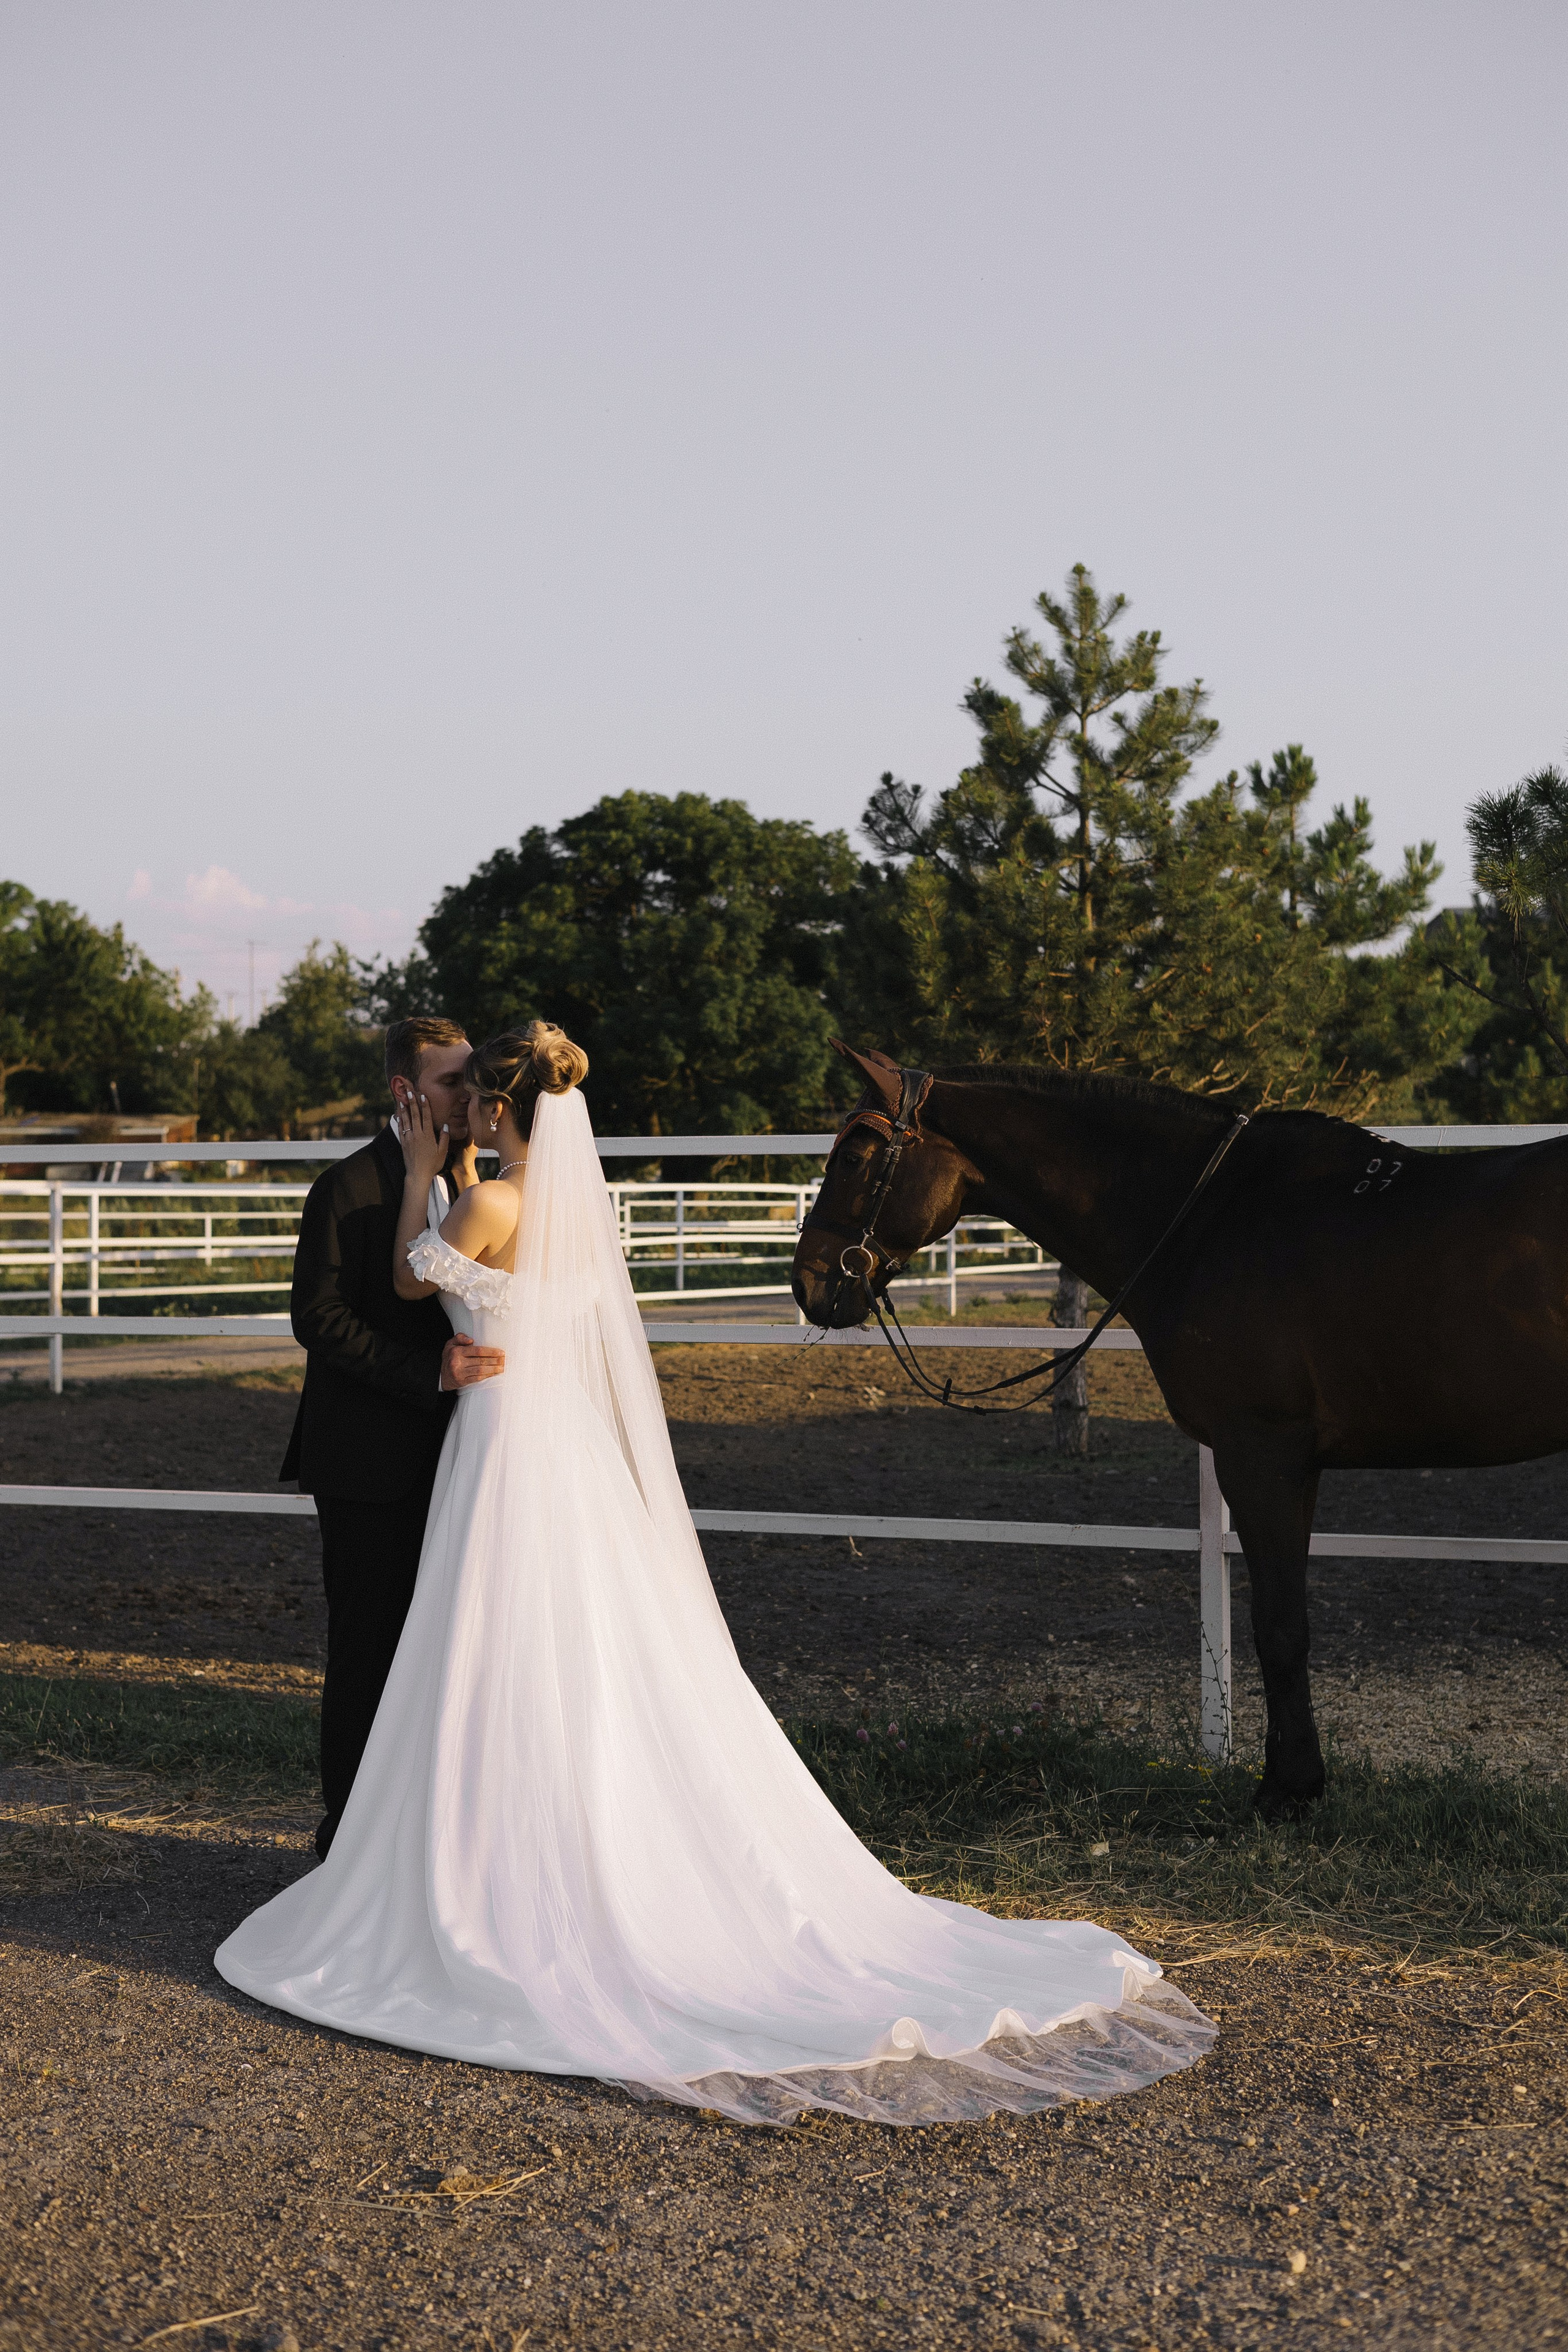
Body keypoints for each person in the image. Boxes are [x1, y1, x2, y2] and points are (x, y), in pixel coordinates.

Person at [222, 1022, 1213, 2124]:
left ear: (496, 1108)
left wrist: (420, 1177)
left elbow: (416, 1284)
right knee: (569, 1655)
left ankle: (487, 1867)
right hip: (556, 1445)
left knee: (495, 1647)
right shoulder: (567, 1206)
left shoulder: (489, 1200)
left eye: (472, 1098)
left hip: (503, 1448)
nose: (458, 1113)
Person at [281, 1014, 505, 1860]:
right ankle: (346, 1844)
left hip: (466, 1459)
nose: (468, 1095)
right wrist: (428, 1377)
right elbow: (319, 1318)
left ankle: (423, 1842)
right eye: (452, 1082)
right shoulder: (347, 1187)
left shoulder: (480, 1183)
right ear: (406, 1090)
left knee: (444, 1655)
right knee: (368, 1650)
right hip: (368, 1462)